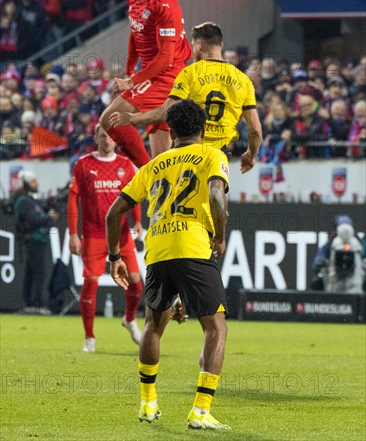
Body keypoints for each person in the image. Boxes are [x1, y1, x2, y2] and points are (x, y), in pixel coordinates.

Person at [106, 99, 231, 429]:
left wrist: (115, 256)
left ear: (170, 130)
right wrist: (219, 235)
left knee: (153, 326)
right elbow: (216, 196)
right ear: (203, 130)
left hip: (158, 248)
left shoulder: (153, 166)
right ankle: (201, 410)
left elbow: (113, 212)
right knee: (215, 327)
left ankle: (148, 403)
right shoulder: (212, 155)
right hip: (192, 246)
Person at [110, 22, 262, 174]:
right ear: (221, 45)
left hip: (188, 151)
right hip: (219, 155)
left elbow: (165, 112)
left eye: (193, 45)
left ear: (200, 45)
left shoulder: (190, 73)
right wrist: (251, 154)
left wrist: (131, 118)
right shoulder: (244, 81)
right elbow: (255, 130)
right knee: (212, 190)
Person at [99, 0, 191, 164]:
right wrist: (129, 71)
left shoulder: (164, 6)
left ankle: (148, 175)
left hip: (168, 74)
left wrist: (132, 81)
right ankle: (158, 181)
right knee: (162, 159)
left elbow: (166, 58)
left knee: (109, 120)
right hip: (151, 71)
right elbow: (136, 31)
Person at [67, 125, 144, 352]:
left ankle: (129, 319)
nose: (107, 139)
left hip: (120, 235)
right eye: (103, 135)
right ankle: (89, 337)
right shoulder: (83, 164)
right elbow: (73, 199)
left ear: (116, 140)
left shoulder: (124, 165)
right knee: (91, 283)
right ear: (96, 137)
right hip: (93, 234)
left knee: (135, 281)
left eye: (111, 136)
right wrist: (73, 233)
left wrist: (137, 221)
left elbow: (135, 196)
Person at [13, 170, 59, 313]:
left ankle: (32, 303)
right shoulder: (23, 201)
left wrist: (50, 203)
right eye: (33, 181)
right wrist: (48, 217)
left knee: (32, 271)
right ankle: (35, 304)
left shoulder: (29, 200)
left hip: (36, 240)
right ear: (27, 183)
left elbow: (41, 211)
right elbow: (32, 220)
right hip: (33, 240)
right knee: (36, 272)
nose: (37, 184)